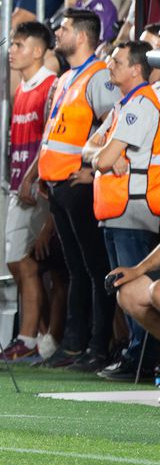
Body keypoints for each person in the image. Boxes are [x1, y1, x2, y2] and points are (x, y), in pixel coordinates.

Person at [28, 10, 120, 370]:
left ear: (82, 36)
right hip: (60, 186)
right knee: (77, 270)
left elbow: (113, 126)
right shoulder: (68, 77)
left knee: (94, 269)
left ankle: (96, 346)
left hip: (80, 186)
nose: (57, 32)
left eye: (64, 28)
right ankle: (74, 346)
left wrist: (88, 170)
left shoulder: (98, 77)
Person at [87, 41, 159, 381]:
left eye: (116, 60)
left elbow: (101, 157)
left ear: (136, 68)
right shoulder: (122, 105)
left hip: (135, 207)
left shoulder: (140, 106)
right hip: (116, 207)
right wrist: (101, 157)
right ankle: (135, 354)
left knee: (132, 283)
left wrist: (103, 157)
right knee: (122, 286)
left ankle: (141, 358)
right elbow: (90, 149)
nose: (109, 64)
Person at [0, 21, 58, 363]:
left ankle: (29, 337)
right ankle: (41, 333)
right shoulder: (22, 88)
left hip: (36, 187)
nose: (11, 51)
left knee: (24, 262)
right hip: (21, 183)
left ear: (38, 50)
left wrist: (32, 177)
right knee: (21, 263)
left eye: (18, 45)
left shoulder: (50, 86)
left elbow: (48, 139)